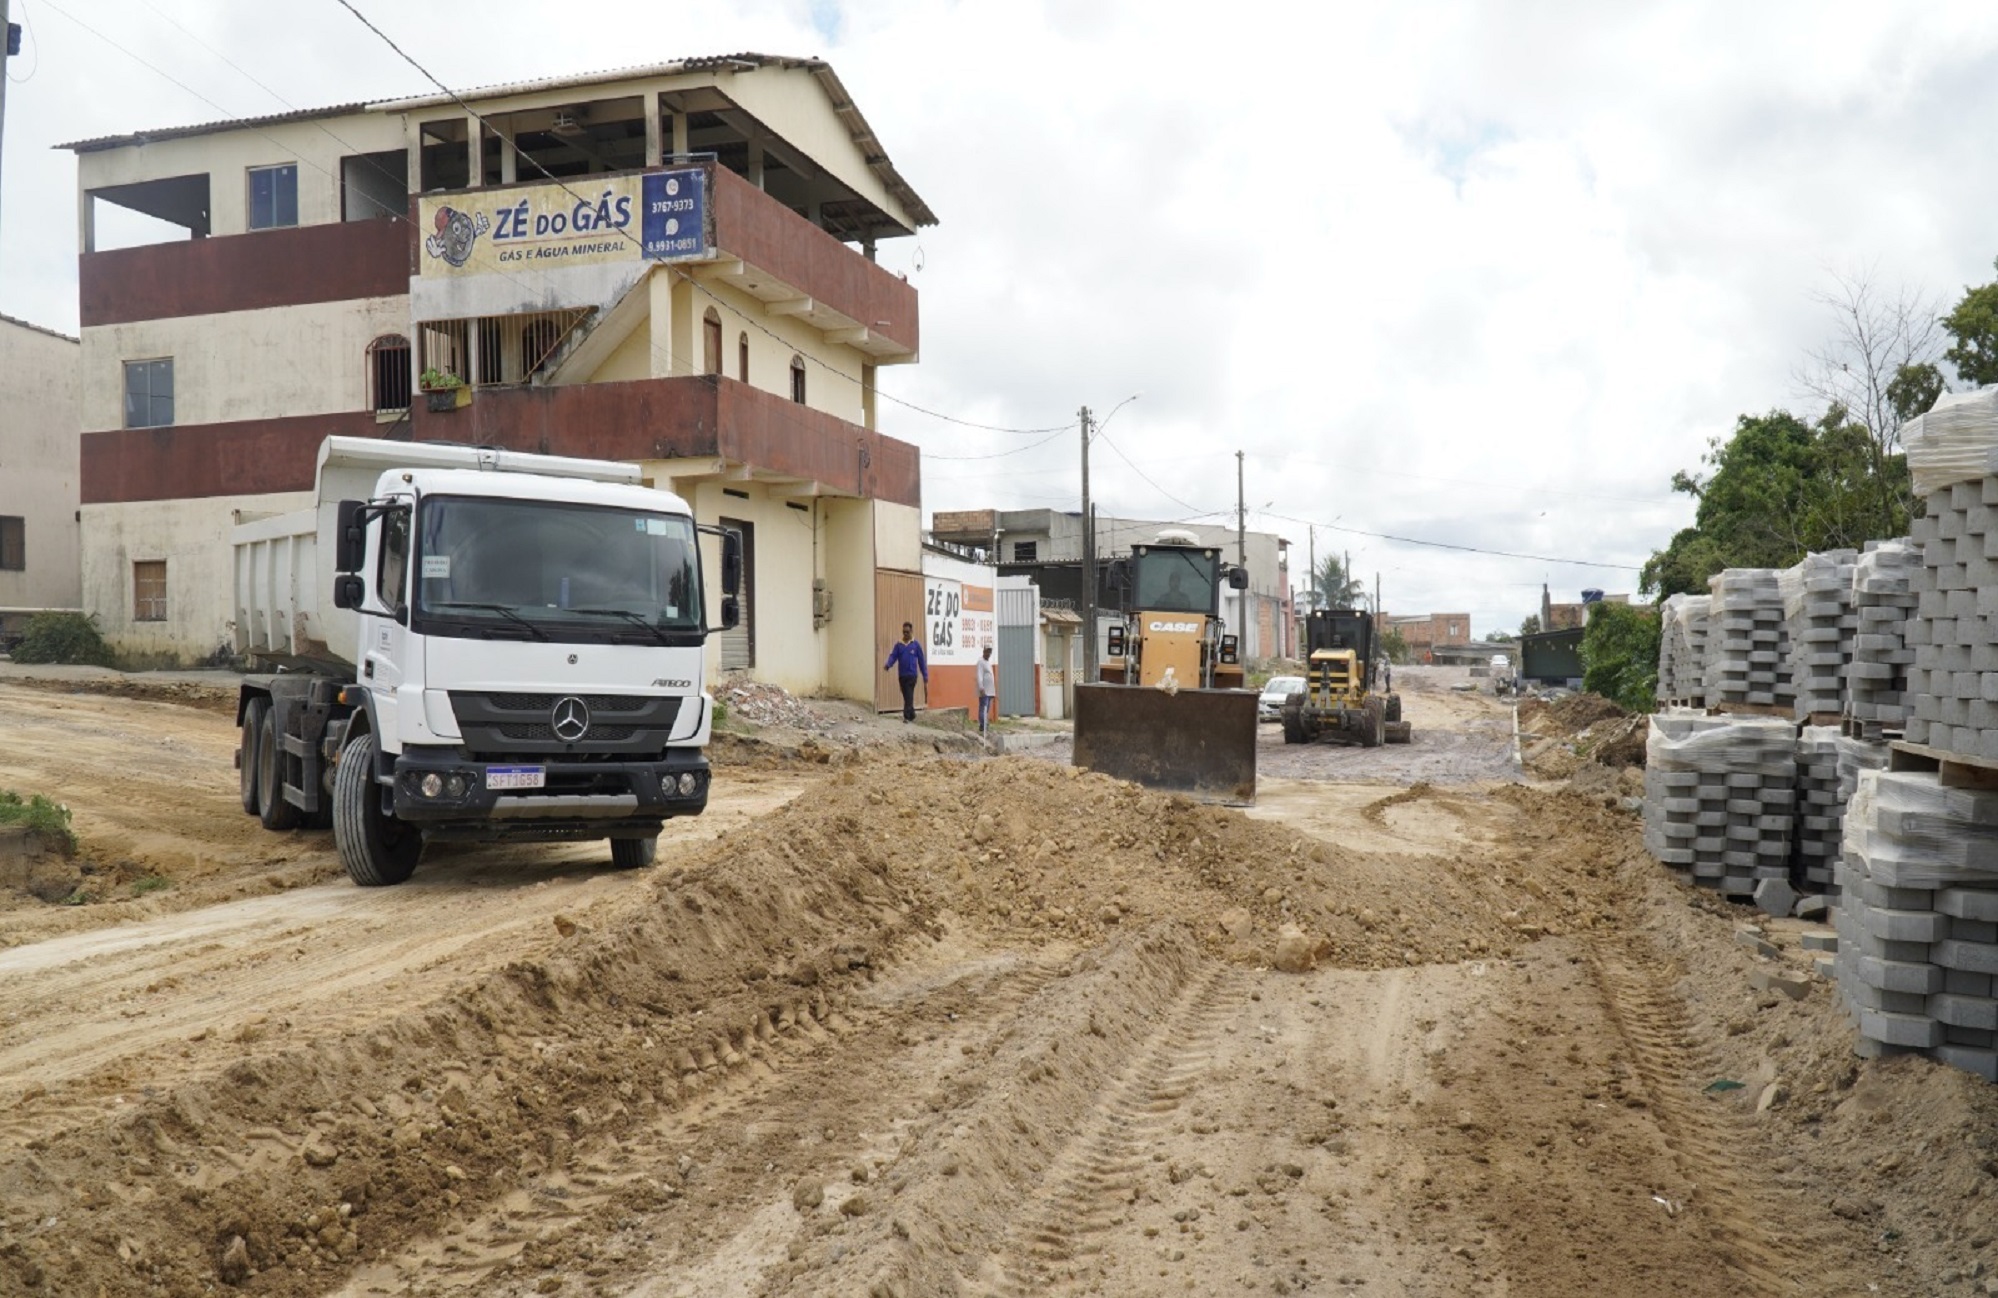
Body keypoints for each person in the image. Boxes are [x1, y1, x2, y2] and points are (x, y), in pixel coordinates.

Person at [884, 622, 928, 723]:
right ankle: (912, 714)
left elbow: (921, 661)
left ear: (911, 632)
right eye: (904, 632)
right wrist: (888, 664)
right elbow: (893, 656)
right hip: (902, 675)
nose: (905, 634)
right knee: (906, 695)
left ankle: (906, 717)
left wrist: (925, 676)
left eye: (907, 632)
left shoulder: (916, 645)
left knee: (909, 694)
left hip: (912, 675)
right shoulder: (899, 645)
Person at [975, 644, 996, 735]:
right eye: (987, 651)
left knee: (986, 708)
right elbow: (979, 675)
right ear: (984, 651)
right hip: (984, 690)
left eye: (990, 652)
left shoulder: (988, 662)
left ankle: (983, 725)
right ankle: (983, 724)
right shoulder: (981, 661)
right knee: (983, 707)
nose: (989, 653)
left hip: (990, 690)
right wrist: (981, 687)